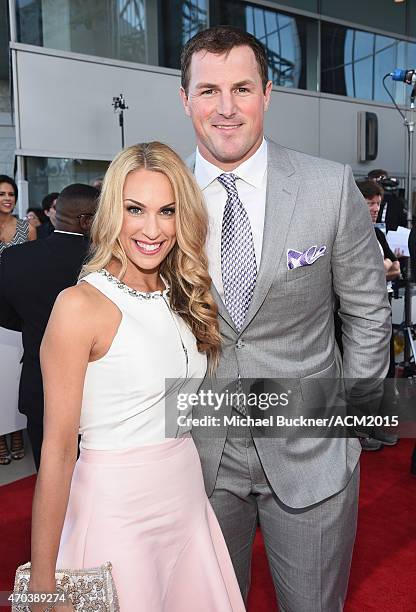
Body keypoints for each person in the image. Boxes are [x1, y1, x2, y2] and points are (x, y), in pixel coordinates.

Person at [180, 26, 391, 610]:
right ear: (185, 98)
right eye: (209, 91)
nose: (226, 109)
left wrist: (351, 413)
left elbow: (369, 311)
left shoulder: (327, 187)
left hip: (313, 449)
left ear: (268, 94)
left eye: (242, 88)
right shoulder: (161, 196)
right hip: (196, 453)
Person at [28, 142, 245, 612]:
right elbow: (59, 449)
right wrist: (43, 587)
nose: (152, 228)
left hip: (185, 495)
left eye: (167, 211)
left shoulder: (180, 292)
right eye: (135, 209)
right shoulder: (80, 306)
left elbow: (176, 401)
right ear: (111, 214)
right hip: (116, 510)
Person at [0, 184, 99, 470]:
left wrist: (37, 326)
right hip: (95, 386)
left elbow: (5, 315)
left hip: (39, 381)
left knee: (48, 473)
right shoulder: (105, 262)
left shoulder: (16, 258)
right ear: (86, 221)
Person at [356, 179, 400, 450]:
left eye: (377, 203)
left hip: (381, 311)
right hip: (352, 316)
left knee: (385, 372)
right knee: (359, 375)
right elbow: (358, 274)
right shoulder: (349, 233)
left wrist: (382, 268)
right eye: (370, 202)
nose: (375, 208)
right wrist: (380, 268)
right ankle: (358, 431)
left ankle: (374, 427)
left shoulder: (378, 234)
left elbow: (394, 268)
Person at [0, 174, 36, 465]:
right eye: (1, 193)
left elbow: (30, 273)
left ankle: (14, 433)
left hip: (18, 311)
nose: (7, 198)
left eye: (10, 193)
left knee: (14, 376)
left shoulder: (27, 228)